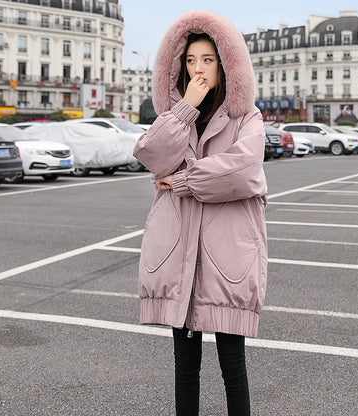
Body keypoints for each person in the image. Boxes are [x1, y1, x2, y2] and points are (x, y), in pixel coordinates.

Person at [133, 10, 268, 416]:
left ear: (226, 64)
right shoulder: (175, 118)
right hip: (178, 257)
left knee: (233, 366)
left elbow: (241, 172)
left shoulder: (247, 117)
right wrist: (186, 107)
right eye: (190, 60)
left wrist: (180, 181)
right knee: (185, 367)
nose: (198, 69)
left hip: (228, 258)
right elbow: (149, 154)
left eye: (207, 59)